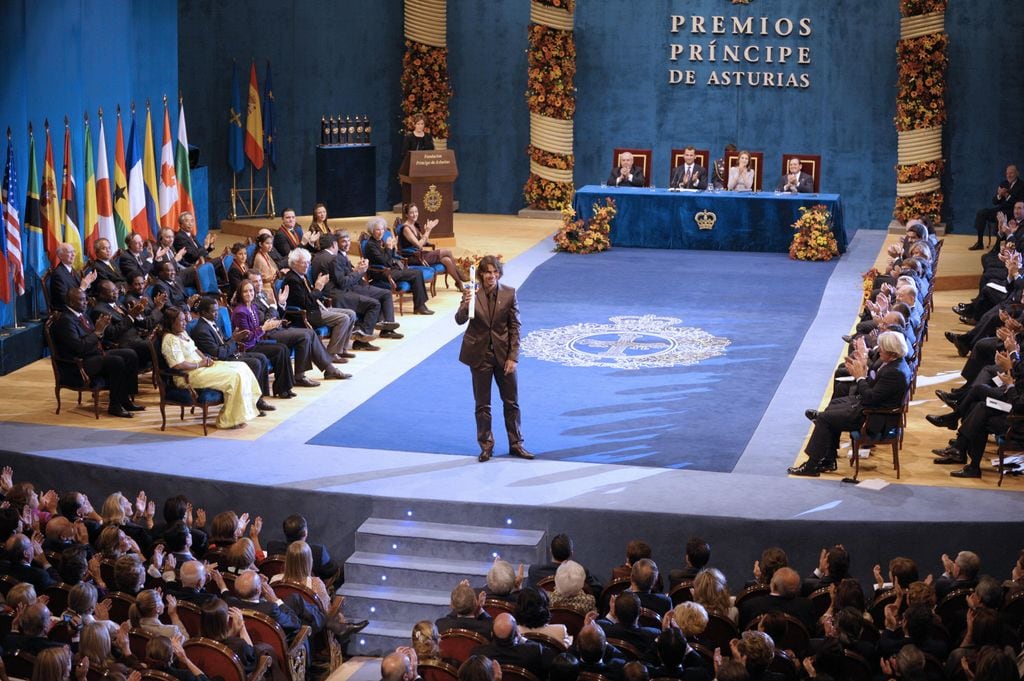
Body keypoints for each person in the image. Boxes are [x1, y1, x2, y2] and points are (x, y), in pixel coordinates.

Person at [789, 331, 912, 476]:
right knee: (833, 405)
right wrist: (864, 370)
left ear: (891, 352)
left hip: (874, 418)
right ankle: (829, 458)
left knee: (824, 418)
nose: (879, 351)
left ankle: (811, 466)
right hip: (871, 407)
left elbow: (870, 397)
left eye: (881, 349)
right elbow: (875, 389)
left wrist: (860, 377)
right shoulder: (894, 364)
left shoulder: (894, 372)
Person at [456, 255, 531, 462]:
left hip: (504, 356)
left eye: (495, 272)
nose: (491, 275)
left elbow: (515, 327)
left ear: (499, 273)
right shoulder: (472, 292)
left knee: (512, 403)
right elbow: (459, 320)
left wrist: (513, 357)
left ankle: (516, 444)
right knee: (482, 405)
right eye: (487, 272)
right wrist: (465, 304)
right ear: (481, 274)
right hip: (479, 356)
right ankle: (486, 445)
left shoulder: (509, 293)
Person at [159, 305, 262, 429]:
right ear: (171, 322)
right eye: (181, 320)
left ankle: (239, 415)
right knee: (234, 376)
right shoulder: (170, 339)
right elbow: (177, 365)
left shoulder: (182, 333)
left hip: (201, 368)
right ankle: (228, 419)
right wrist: (199, 364)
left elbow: (195, 350)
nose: (185, 322)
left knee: (242, 367)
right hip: (187, 375)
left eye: (184, 319)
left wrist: (205, 359)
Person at [51, 288, 142, 418]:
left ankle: (125, 400)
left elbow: (96, 337)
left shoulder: (83, 315)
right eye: (81, 300)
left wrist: (101, 330)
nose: (85, 302)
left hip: (94, 355)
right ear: (71, 302)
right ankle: (115, 406)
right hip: (79, 364)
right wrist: (97, 332)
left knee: (130, 354)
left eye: (85, 299)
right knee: (116, 361)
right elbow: (78, 347)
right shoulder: (66, 321)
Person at [190, 296, 283, 407]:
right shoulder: (201, 330)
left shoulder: (211, 322)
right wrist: (233, 340)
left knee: (261, 358)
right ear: (204, 312)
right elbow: (218, 353)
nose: (217, 314)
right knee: (255, 363)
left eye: (217, 310)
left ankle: (259, 399)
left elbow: (223, 343)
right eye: (214, 311)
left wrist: (234, 338)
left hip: (229, 354)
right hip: (220, 361)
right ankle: (250, 402)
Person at [283, 247, 357, 360]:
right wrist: (318, 288)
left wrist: (318, 288)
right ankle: (332, 353)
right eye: (303, 263)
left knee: (351, 314)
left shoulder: (302, 276)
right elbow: (306, 302)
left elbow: (312, 295)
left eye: (308, 262)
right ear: (294, 263)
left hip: (317, 308)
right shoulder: (292, 279)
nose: (307, 265)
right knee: (344, 318)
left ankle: (342, 349)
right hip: (307, 314)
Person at [363, 216, 433, 315]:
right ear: (372, 231)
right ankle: (420, 306)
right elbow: (384, 261)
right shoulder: (371, 245)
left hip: (390, 269)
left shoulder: (380, 241)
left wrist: (393, 248)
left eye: (382, 229)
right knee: (416, 273)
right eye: (377, 230)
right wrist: (388, 248)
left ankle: (420, 305)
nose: (381, 232)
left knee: (417, 273)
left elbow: (390, 257)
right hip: (381, 272)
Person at [396, 203, 466, 287]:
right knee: (447, 251)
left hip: (420, 254)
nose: (415, 214)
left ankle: (459, 283)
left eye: (416, 211)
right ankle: (459, 273)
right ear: (407, 215)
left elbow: (424, 241)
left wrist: (427, 230)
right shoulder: (406, 228)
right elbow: (419, 245)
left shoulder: (414, 226)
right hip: (412, 257)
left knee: (446, 260)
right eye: (411, 212)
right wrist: (428, 231)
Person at [971, 164, 1024, 250]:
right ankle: (980, 242)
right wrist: (999, 195)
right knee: (981, 213)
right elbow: (994, 201)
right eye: (1007, 173)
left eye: (1011, 173)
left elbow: (1018, 203)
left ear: (1017, 173)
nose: (1009, 175)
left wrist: (1006, 195)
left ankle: (997, 246)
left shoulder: (1021, 185)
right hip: (1000, 209)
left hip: (1012, 212)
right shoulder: (1004, 183)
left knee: (1001, 218)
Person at [49, 242, 97, 312]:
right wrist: (82, 288)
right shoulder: (58, 274)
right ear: (60, 256)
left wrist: (88, 282)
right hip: (66, 310)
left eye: (74, 251)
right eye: (70, 252)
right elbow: (64, 299)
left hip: (78, 305)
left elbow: (79, 286)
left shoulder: (72, 270)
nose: (73, 254)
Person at [251, 232, 281, 297]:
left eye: (271, 243)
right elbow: (263, 279)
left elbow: (272, 269)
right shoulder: (259, 258)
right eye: (267, 243)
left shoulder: (265, 253)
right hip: (265, 289)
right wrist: (274, 276)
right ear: (260, 244)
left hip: (271, 285)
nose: (270, 246)